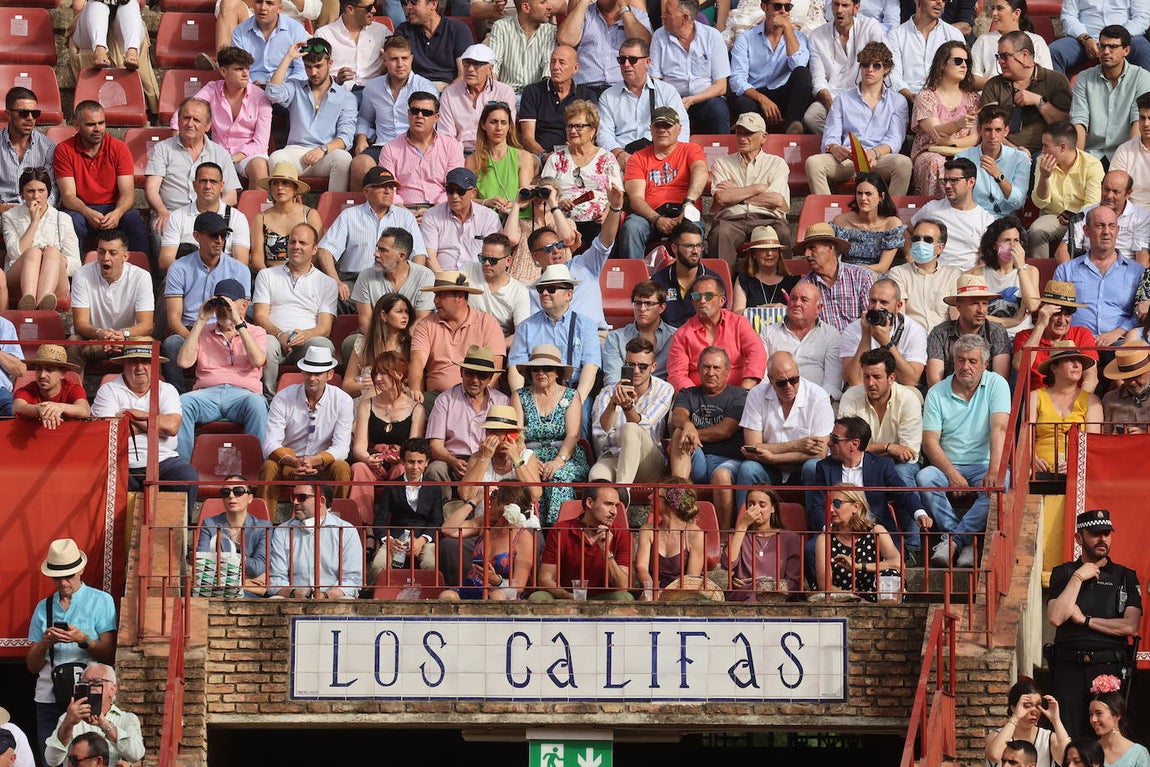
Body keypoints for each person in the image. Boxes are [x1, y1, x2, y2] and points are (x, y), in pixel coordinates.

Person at [1047, 507, 1143, 737]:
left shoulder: (1125, 576)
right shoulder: (1063, 572)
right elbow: (1056, 616)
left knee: (1105, 736)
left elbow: (1130, 626)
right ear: (1079, 538)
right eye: (1095, 533)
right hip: (1068, 667)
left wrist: (1085, 620)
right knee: (1066, 736)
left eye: (1107, 533)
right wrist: (1078, 577)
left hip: (1108, 668)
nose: (1102, 539)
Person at [920, 334, 1010, 568]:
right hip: (949, 463)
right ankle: (964, 541)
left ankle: (953, 541)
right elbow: (929, 441)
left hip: (984, 462)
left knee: (1003, 481)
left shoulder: (996, 384)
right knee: (924, 477)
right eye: (960, 360)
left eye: (972, 361)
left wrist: (993, 470)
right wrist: (951, 473)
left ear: (985, 364)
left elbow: (999, 429)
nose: (965, 367)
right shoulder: (937, 392)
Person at [90, 339, 201, 519]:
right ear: (125, 364)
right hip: (121, 461)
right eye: (134, 361)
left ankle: (179, 538)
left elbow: (172, 427)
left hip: (163, 460)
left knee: (186, 476)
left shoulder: (167, 390)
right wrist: (156, 424)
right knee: (103, 481)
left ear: (154, 365)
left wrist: (130, 414)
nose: (140, 367)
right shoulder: (108, 390)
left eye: (146, 362)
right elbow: (108, 431)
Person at [25, 539, 117, 753]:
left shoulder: (101, 601)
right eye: (58, 578)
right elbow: (31, 666)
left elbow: (110, 654)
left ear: (81, 570)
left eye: (69, 576)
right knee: (51, 757)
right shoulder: (43, 608)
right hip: (49, 696)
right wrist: (45, 644)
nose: (64, 582)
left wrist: (82, 639)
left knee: (86, 759)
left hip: (89, 697)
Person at [161, 212, 253, 391]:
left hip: (228, 329)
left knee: (254, 341)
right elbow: (173, 319)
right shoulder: (179, 268)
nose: (219, 240)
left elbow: (242, 312)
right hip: (191, 329)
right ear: (197, 236)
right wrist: (195, 340)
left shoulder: (240, 269)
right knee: (172, 344)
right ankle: (176, 396)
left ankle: (243, 391)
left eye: (223, 235)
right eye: (213, 235)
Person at [805, 41, 911, 196]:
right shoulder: (842, 99)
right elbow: (830, 135)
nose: (870, 69)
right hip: (849, 159)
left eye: (876, 66)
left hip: (880, 159)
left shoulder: (898, 101)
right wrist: (834, 148)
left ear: (886, 69)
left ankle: (890, 216)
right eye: (865, 64)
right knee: (813, 163)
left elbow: (894, 139)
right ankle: (826, 213)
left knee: (904, 164)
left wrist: (874, 153)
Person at [258, 346, 354, 510]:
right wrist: (294, 461)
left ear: (329, 375)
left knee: (342, 467)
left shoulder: (342, 400)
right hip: (290, 463)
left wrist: (315, 460)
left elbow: (342, 448)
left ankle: (336, 522)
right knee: (269, 467)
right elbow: (270, 443)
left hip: (322, 466)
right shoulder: (283, 397)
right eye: (308, 373)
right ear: (302, 373)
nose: (312, 378)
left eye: (317, 374)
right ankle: (262, 525)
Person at [736, 350, 834, 507]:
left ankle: (817, 527)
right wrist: (797, 445)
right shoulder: (756, 394)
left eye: (794, 380)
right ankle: (744, 527)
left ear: (799, 374)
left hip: (801, 468)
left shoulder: (818, 396)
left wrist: (774, 457)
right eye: (782, 383)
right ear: (770, 380)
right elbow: (753, 447)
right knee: (748, 469)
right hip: (768, 468)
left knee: (813, 467)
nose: (789, 386)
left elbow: (820, 453)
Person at [252, 223, 339, 397]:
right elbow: (259, 316)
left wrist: (304, 335)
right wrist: (280, 335)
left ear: (314, 249)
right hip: (275, 338)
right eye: (292, 242)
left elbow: (325, 328)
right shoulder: (267, 275)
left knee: (324, 345)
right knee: (266, 343)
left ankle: (315, 397)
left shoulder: (327, 283)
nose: (296, 246)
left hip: (306, 342)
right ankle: (267, 398)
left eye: (302, 243)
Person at [667, 347, 747, 530]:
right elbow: (678, 416)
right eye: (706, 367)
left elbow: (725, 430)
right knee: (679, 432)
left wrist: (693, 433)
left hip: (728, 460)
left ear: (728, 371)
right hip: (697, 458)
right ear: (699, 368)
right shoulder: (688, 394)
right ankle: (678, 500)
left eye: (716, 368)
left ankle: (724, 536)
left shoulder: (740, 395)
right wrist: (687, 426)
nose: (711, 373)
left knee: (721, 475)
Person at [53, 102, 149, 255]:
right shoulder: (64, 150)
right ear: (76, 125)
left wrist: (117, 213)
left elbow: (128, 194)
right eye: (91, 124)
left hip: (113, 207)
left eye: (101, 123)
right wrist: (87, 212)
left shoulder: (119, 148)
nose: (97, 129)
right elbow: (68, 196)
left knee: (134, 220)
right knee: (71, 222)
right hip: (81, 209)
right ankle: (72, 274)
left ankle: (142, 272)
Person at [421, 344, 511, 502]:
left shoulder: (502, 401)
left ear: (490, 378)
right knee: (436, 469)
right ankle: (442, 516)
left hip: (490, 459)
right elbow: (435, 445)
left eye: (482, 375)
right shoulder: (445, 400)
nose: (475, 380)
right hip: (453, 459)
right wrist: (453, 461)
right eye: (470, 373)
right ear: (461, 372)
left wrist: (482, 461)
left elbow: (510, 440)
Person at [321, 174, 429, 305]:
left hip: (395, 280)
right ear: (366, 191)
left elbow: (418, 254)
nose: (388, 191)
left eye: (391, 187)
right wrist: (336, 281)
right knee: (333, 296)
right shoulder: (349, 215)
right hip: (355, 281)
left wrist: (411, 282)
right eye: (382, 187)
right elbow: (325, 250)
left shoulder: (405, 217)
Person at [266, 38, 357, 192]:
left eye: (318, 66)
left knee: (343, 158)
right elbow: (273, 93)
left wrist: (322, 150)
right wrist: (288, 57)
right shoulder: (296, 86)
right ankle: (285, 211)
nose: (313, 72)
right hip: (295, 152)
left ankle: (333, 210)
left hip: (326, 155)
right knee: (276, 158)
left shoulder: (347, 97)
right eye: (308, 67)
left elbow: (346, 138)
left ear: (330, 63)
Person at [145, 99, 243, 242]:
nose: (190, 124)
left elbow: (231, 196)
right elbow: (151, 189)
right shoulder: (162, 149)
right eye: (186, 118)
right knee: (160, 233)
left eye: (196, 120)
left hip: (210, 216)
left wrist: (208, 214)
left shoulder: (221, 154)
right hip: (171, 214)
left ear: (208, 126)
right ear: (178, 121)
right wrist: (161, 211)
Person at [512, 344, 590, 523]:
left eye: (547, 368)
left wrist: (557, 461)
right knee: (531, 476)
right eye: (535, 368)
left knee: (557, 478)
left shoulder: (571, 395)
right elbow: (516, 434)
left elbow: (573, 435)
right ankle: (536, 532)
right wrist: (529, 460)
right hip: (530, 455)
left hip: (566, 456)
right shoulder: (520, 395)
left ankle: (559, 531)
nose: (541, 373)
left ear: (558, 372)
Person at [617, 107, 707, 261]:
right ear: (651, 129)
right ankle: (636, 280)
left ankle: (694, 280)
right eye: (658, 126)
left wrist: (689, 202)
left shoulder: (691, 149)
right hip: (649, 215)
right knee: (632, 227)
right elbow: (636, 198)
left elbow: (700, 171)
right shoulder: (638, 157)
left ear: (679, 129)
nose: (662, 130)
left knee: (693, 230)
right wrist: (656, 219)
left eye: (668, 126)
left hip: (684, 210)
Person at [507, 264, 602, 406]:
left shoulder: (586, 325)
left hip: (573, 390)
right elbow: (515, 367)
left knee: (581, 421)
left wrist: (576, 402)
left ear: (569, 294)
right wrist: (524, 402)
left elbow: (590, 367)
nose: (544, 293)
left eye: (551, 289)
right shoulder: (525, 327)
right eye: (541, 289)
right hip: (535, 392)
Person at [350, 35, 437, 188]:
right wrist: (361, 140)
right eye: (394, 59)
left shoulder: (426, 88)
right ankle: (359, 211)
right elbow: (365, 118)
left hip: (414, 146)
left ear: (411, 59)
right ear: (384, 60)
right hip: (382, 145)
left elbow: (431, 127)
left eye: (404, 58)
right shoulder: (373, 87)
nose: (400, 64)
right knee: (359, 164)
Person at [707, 113, 792, 269]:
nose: (742, 138)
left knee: (783, 232)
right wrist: (758, 188)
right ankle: (722, 287)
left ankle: (787, 285)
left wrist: (736, 194)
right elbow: (721, 197)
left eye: (749, 133)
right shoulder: (722, 162)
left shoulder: (777, 163)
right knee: (720, 234)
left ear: (764, 137)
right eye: (739, 132)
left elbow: (776, 200)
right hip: (731, 220)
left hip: (768, 219)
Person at [1053, 206, 1142, 354]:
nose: (1106, 231)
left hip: (1121, 343)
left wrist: (1117, 333)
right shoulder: (1066, 271)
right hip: (1075, 345)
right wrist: (1083, 337)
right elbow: (1056, 312)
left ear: (1117, 230)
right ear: (1086, 231)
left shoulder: (1137, 272)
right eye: (1100, 226)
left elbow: (1141, 314)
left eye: (1111, 226)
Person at [349, 352, 426, 523]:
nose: (378, 378)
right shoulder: (366, 404)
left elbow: (414, 448)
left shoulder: (416, 409)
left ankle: (392, 527)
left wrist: (399, 458)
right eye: (376, 373)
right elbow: (359, 447)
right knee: (359, 468)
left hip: (400, 461)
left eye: (383, 373)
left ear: (399, 375)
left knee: (402, 471)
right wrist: (369, 459)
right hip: (374, 460)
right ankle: (363, 527)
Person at [409, 268, 506, 402]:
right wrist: (415, 391)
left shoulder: (487, 323)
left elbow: (495, 363)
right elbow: (417, 361)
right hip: (438, 397)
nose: (435, 301)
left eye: (440, 296)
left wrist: (479, 395)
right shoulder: (426, 325)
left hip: (479, 394)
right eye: (435, 295)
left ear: (460, 297)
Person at [589, 336, 673, 490]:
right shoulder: (608, 392)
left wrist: (627, 407)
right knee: (597, 477)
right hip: (614, 456)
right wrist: (613, 405)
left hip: (648, 461)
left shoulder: (664, 389)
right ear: (624, 365)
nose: (636, 371)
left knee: (631, 428)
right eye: (631, 365)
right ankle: (617, 504)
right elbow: (600, 435)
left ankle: (622, 491)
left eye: (642, 366)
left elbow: (644, 426)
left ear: (653, 367)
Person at [184, 47, 273, 189]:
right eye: (239, 69)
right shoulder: (212, 89)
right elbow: (188, 110)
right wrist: (179, 137)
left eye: (247, 69)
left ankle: (257, 208)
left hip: (249, 153)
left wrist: (233, 158)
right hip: (217, 150)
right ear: (223, 71)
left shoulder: (261, 97)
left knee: (259, 166)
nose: (245, 74)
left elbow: (261, 143)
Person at [541, 99, 622, 252]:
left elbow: (617, 195)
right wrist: (558, 203)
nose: (572, 131)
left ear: (593, 130)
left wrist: (607, 213)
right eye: (570, 126)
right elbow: (544, 195)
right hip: (564, 224)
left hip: (599, 224)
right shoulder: (556, 159)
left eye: (579, 126)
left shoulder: (606, 158)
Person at [839, 347, 925, 488]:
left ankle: (914, 511)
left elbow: (908, 455)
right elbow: (845, 447)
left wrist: (864, 452)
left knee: (900, 472)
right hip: (856, 463)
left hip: (898, 464)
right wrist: (888, 447)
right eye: (866, 376)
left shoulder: (908, 399)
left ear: (891, 378)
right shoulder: (851, 396)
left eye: (877, 377)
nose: (870, 383)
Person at [597, 38, 690, 168]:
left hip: (660, 157)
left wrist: (670, 155)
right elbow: (603, 133)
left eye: (633, 60)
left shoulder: (667, 91)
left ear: (647, 62)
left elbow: (682, 127)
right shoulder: (608, 96)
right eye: (622, 60)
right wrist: (618, 154)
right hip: (623, 159)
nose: (626, 64)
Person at [531, 485, 634, 601]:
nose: (614, 511)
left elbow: (623, 586)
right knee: (538, 597)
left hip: (605, 598)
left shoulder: (622, 533)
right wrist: (567, 595)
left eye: (616, 505)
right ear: (590, 503)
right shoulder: (560, 529)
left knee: (624, 597)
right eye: (608, 504)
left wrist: (607, 553)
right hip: (567, 595)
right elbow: (545, 578)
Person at [666, 275, 767, 391]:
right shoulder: (682, 334)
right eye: (697, 296)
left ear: (722, 301)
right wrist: (696, 400)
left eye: (708, 296)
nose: (702, 301)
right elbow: (677, 375)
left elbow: (757, 355)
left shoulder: (739, 323)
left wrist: (744, 391)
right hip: (697, 399)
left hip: (739, 394)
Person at [980, 31, 1071, 158]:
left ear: (1024, 55)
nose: (1000, 61)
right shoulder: (993, 85)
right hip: (1003, 151)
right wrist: (1014, 151)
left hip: (1045, 152)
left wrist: (1040, 102)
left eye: (1005, 56)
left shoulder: (1055, 80)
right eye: (998, 56)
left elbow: (1064, 126)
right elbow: (987, 127)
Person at [438, 484, 537, 601]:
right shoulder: (486, 523)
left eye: (495, 496)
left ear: (508, 504)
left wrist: (496, 580)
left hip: (503, 591)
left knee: (496, 596)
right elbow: (448, 530)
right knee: (446, 596)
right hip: (474, 585)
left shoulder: (524, 537)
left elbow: (519, 585)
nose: (489, 499)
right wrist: (474, 501)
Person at [728, 0, 812, 134]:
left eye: (788, 7)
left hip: (783, 93)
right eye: (778, 6)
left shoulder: (798, 38)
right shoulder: (746, 38)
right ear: (764, 7)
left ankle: (793, 128)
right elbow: (737, 80)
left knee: (803, 74)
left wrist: (787, 29)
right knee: (743, 103)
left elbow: (798, 66)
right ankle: (754, 137)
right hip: (756, 95)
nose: (783, 11)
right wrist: (762, 99)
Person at [1070, 26, 1150, 166]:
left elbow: (1137, 122)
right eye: (1102, 46)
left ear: (1126, 50)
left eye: (1113, 47)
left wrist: (1128, 164)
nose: (1106, 51)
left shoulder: (1142, 77)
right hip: (1092, 154)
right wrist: (1077, 163)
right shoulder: (1084, 78)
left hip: (1125, 154)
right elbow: (1079, 122)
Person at [2, 167, 79, 311]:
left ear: (48, 192)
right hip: (18, 280)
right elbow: (15, 253)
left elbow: (76, 265)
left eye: (41, 191)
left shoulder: (63, 219)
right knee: (33, 252)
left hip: (55, 284)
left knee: (52, 252)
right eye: (30, 191)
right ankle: (28, 299)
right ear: (22, 193)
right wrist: (34, 222)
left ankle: (44, 300)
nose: (36, 196)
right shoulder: (10, 216)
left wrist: (57, 258)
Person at [268, 484, 364, 598]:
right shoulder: (282, 531)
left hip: (334, 598)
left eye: (302, 497)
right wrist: (294, 593)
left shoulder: (346, 530)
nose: (295, 502)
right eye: (293, 497)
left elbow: (353, 579)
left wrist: (326, 595)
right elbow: (276, 577)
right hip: (293, 597)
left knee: (346, 601)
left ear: (321, 500)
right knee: (275, 600)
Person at [650, 0, 731, 135]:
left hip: (706, 98)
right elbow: (655, 80)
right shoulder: (659, 36)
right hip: (672, 99)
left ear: (685, 18)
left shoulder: (712, 36)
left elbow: (721, 86)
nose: (662, 16)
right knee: (662, 113)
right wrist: (673, 100)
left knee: (718, 110)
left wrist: (692, 100)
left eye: (668, 13)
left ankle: (721, 154)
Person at [805, 0, 886, 134]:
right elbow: (818, 79)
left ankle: (852, 146)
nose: (839, 10)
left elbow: (880, 66)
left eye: (845, 5)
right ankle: (842, 146)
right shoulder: (817, 35)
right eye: (836, 4)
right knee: (812, 117)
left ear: (856, 8)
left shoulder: (870, 27)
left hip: (864, 95)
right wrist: (832, 107)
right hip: (832, 96)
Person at [910, 42, 980, 196]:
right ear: (942, 64)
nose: (964, 66)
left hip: (963, 153)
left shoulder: (973, 99)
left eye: (967, 62)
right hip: (930, 152)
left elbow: (975, 138)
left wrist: (952, 144)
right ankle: (935, 211)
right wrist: (957, 124)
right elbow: (936, 132)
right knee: (936, 162)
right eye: (958, 61)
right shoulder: (926, 97)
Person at [1029, 122, 1105, 261]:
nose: (1043, 150)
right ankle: (1039, 276)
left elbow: (1092, 206)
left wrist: (1074, 218)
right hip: (1054, 216)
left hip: (1082, 219)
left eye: (1046, 145)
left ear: (1062, 147)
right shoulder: (1042, 161)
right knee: (1036, 231)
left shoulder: (1092, 165)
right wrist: (1044, 177)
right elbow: (1039, 203)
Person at [378, 92, 466, 211]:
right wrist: (403, 212)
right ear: (408, 114)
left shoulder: (452, 146)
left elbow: (454, 185)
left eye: (426, 113)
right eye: (415, 111)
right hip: (403, 209)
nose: (419, 116)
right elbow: (387, 188)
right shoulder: (389, 148)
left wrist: (435, 212)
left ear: (436, 118)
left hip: (443, 209)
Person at [157, 161, 251, 271]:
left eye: (213, 181)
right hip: (186, 279)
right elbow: (165, 261)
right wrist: (198, 273)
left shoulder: (238, 218)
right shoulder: (177, 217)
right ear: (194, 185)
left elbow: (241, 263)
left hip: (223, 279)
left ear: (222, 186)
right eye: (203, 181)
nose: (208, 186)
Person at [43, 664, 143, 767]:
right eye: (85, 683)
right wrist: (68, 723)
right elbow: (51, 760)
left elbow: (136, 754)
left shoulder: (127, 719)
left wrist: (105, 725)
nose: (90, 687)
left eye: (97, 682)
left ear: (112, 690)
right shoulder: (69, 718)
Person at [813, 485, 901, 601]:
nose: (830, 509)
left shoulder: (876, 531)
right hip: (842, 599)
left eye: (837, 503)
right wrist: (858, 602)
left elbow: (898, 564)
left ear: (855, 506)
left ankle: (889, 614)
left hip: (876, 596)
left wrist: (858, 566)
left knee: (891, 574)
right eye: (828, 504)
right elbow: (825, 586)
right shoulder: (824, 539)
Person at [761, 280, 844, 402]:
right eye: (793, 299)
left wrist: (812, 404)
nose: (797, 304)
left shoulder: (831, 335)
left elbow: (833, 383)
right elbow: (763, 379)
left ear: (818, 308)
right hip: (775, 402)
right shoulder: (768, 333)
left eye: (804, 300)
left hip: (818, 403)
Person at [370, 437, 443, 577]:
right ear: (402, 461)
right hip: (395, 540)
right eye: (410, 462)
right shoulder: (392, 487)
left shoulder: (434, 487)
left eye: (420, 462)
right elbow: (379, 522)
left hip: (423, 538)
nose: (415, 467)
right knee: (378, 565)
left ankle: (431, 597)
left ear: (427, 462)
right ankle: (378, 597)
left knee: (431, 564)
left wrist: (422, 540)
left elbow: (437, 521)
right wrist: (389, 541)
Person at [910, 157, 996, 271]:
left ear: (971, 182)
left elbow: (985, 261)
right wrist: (909, 254)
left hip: (965, 278)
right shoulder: (932, 208)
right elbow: (906, 230)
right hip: (931, 274)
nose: (947, 186)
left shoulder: (985, 220)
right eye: (945, 180)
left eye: (954, 180)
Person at [926, 273, 1012, 386]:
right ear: (959, 306)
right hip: (946, 397)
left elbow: (1000, 381)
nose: (981, 310)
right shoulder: (940, 333)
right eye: (974, 303)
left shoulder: (997, 332)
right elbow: (934, 382)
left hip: (985, 397)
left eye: (985, 304)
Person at [1013, 279, 1097, 395]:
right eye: (1056, 313)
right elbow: (1020, 366)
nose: (1062, 321)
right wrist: (1040, 325)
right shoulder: (1025, 336)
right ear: (1044, 311)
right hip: (1037, 402)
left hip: (1075, 401)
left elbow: (1091, 377)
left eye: (1067, 314)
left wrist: (1078, 402)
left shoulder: (1082, 334)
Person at [1029, 343, 1102, 476]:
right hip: (1039, 472)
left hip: (1080, 473)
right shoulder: (1035, 396)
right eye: (1070, 360)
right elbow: (1026, 436)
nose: (1076, 365)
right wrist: (1033, 460)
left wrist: (1077, 464)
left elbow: (1093, 443)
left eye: (1079, 361)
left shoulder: (1092, 400)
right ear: (1054, 367)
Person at [840, 278, 928, 387]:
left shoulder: (914, 330)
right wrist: (866, 335)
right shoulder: (853, 329)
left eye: (884, 302)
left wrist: (887, 343)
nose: (876, 307)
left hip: (900, 389)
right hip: (864, 389)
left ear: (898, 306)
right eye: (873, 301)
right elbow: (855, 381)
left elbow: (910, 381)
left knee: (914, 395)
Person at [195, 476, 272, 597]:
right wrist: (244, 581)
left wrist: (224, 564)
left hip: (248, 594)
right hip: (217, 591)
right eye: (225, 493)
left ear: (250, 498)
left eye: (238, 492)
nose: (231, 496)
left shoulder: (263, 527)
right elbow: (203, 564)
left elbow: (258, 567)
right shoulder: (209, 524)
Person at [556, 0, 653, 95]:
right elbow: (565, 40)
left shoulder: (637, 15)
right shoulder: (584, 13)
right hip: (585, 89)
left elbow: (643, 44)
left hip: (623, 89)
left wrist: (624, 9)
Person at [1057, 170, 1150, 267]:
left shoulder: (1140, 218)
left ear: (1128, 193)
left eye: (1115, 192)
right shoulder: (1085, 213)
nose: (1109, 196)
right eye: (1106, 189)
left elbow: (1143, 260)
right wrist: (1070, 275)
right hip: (1087, 270)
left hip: (1124, 272)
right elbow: (1062, 251)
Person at [887, 218, 965, 334]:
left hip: (944, 339)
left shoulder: (953, 275)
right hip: (911, 338)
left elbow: (956, 318)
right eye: (916, 238)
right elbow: (900, 317)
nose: (920, 243)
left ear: (940, 248)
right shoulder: (898, 273)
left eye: (927, 240)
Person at [796, 222, 876, 332]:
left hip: (859, 343)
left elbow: (871, 318)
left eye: (812, 248)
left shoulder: (861, 277)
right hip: (822, 346)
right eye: (805, 250)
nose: (806, 254)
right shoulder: (805, 286)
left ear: (830, 247)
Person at [968, 215, 1039, 339]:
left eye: (1016, 240)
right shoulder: (977, 274)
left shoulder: (1030, 271)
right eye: (1007, 240)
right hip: (986, 335)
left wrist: (1021, 267)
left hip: (1019, 336)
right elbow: (973, 316)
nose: (1012, 246)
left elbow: (1032, 305)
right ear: (995, 245)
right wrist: (1014, 321)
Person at [437, 44, 517, 154]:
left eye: (476, 64)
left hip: (494, 151)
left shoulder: (504, 92)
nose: (470, 69)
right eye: (466, 63)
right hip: (461, 153)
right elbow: (446, 136)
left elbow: (506, 130)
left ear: (490, 69)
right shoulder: (449, 93)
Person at [520, 46, 599, 156]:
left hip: (576, 153)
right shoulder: (533, 92)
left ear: (575, 69)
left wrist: (573, 152)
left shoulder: (586, 95)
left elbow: (591, 134)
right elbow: (528, 139)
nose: (556, 67)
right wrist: (545, 156)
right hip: (540, 155)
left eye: (562, 62)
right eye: (553, 62)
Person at [420, 167, 503, 272]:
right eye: (450, 190)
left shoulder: (489, 218)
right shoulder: (431, 215)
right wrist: (445, 282)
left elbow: (494, 257)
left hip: (479, 279)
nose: (455, 196)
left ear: (473, 192)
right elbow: (430, 256)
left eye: (461, 191)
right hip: (443, 278)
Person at [725, 487, 802, 600]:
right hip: (743, 596)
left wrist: (761, 587)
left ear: (772, 508)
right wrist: (742, 526)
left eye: (762, 505)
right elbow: (727, 564)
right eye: (751, 504)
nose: (756, 509)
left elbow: (793, 582)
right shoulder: (737, 534)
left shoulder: (790, 538)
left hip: (776, 596)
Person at [466, 101, 538, 221]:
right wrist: (486, 202)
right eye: (493, 122)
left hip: (518, 219)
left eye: (503, 123)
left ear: (509, 126)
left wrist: (514, 204)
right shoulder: (472, 160)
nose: (499, 128)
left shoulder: (523, 156)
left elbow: (526, 197)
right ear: (483, 125)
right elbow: (468, 199)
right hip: (486, 220)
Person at [956, 105, 1032, 217]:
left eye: (998, 130)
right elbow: (957, 198)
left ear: (1006, 131)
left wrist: (998, 175)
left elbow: (1018, 202)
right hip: (971, 218)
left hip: (1004, 220)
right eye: (987, 129)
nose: (993, 136)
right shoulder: (962, 158)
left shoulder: (1020, 158)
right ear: (979, 130)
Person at [460, 233, 530, 350]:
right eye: (483, 258)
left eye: (493, 260)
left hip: (496, 348)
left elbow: (521, 335)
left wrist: (488, 348)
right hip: (462, 339)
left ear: (508, 261)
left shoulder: (519, 292)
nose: (486, 263)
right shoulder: (468, 269)